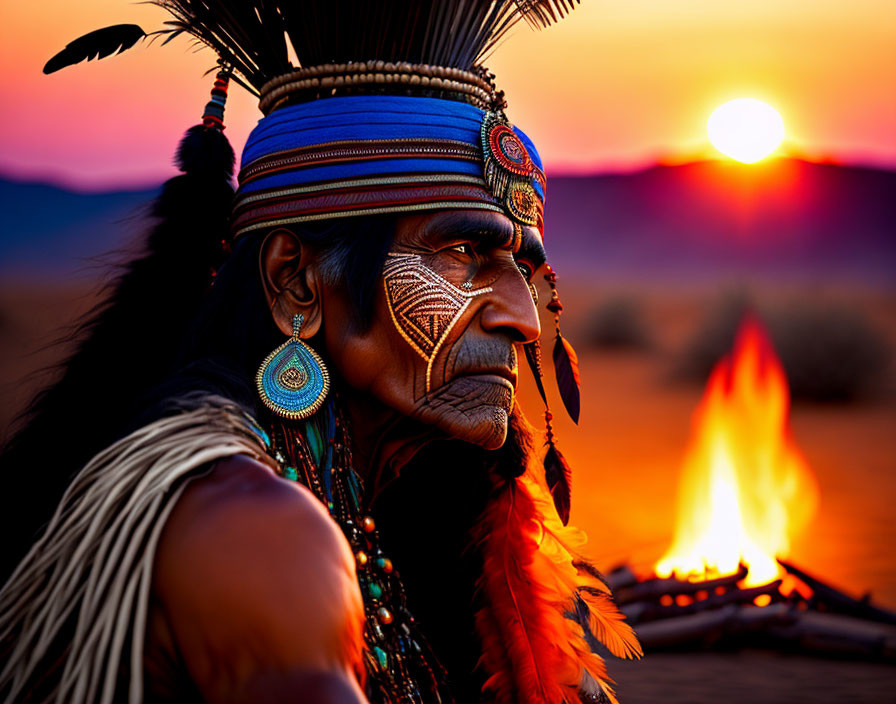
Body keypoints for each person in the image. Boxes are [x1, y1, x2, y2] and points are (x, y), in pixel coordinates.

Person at [0, 2, 641, 702]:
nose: (522, 318)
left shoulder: (384, 503)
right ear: (296, 282)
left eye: (524, 270)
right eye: (460, 254)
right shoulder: (256, 531)